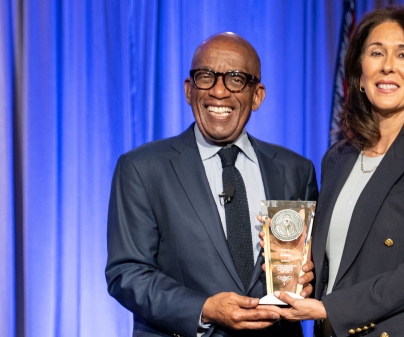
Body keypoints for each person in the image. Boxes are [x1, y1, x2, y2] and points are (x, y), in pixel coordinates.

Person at [268, 6, 404, 337]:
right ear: (360, 77)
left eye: (403, 54)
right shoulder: (338, 158)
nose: (387, 66)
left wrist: (329, 308)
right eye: (376, 53)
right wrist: (300, 276)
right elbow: (342, 262)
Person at [105, 32, 318, 337]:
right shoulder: (142, 168)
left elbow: (315, 267)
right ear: (189, 90)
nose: (219, 91)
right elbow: (127, 273)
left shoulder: (296, 170)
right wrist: (203, 309)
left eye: (235, 79)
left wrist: (308, 278)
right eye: (206, 77)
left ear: (257, 96)